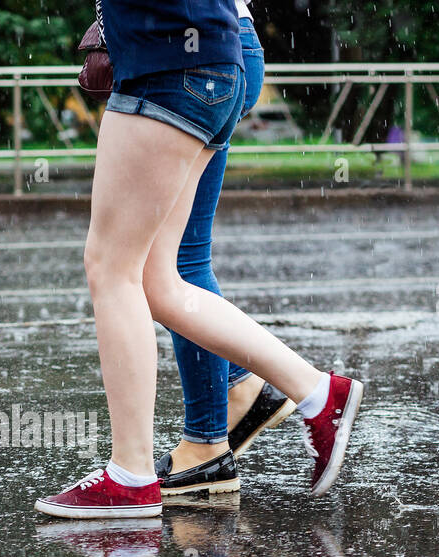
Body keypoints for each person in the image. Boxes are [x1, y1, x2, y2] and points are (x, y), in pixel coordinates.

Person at [35, 0, 364, 519]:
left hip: (167, 62)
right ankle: (317, 393)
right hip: (202, 59)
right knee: (158, 281)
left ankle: (130, 477)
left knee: (112, 269)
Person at [158, 0, 297, 496]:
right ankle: (238, 392)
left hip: (188, 52)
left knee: (174, 266)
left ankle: (212, 437)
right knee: (182, 259)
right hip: (222, 45)